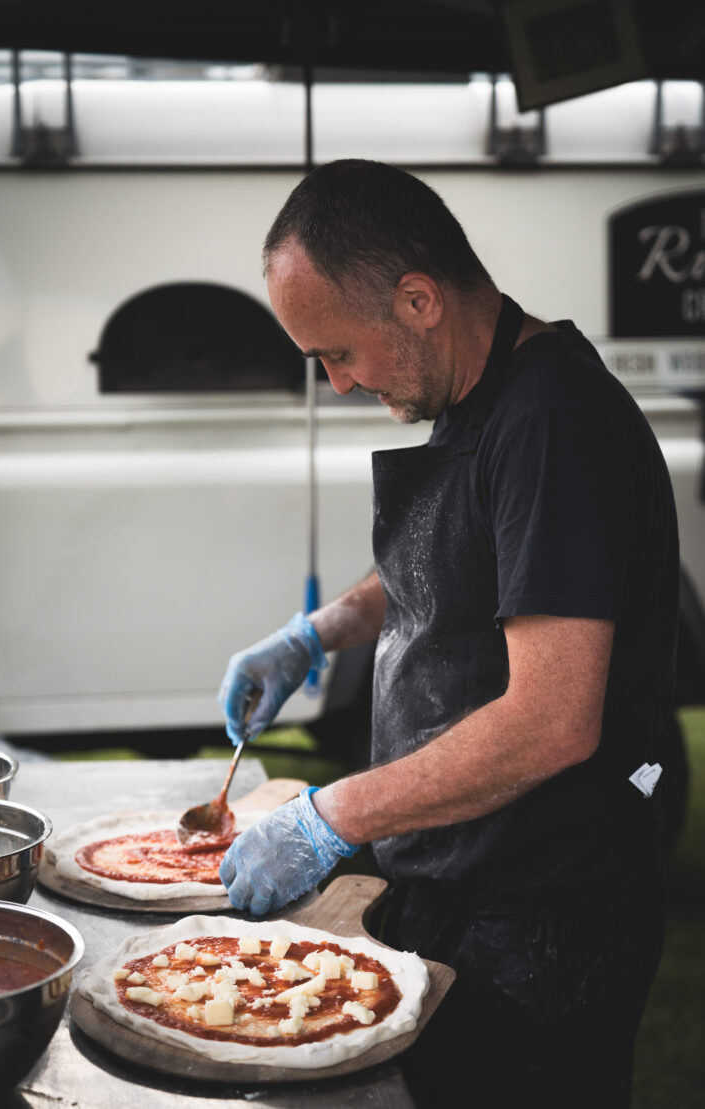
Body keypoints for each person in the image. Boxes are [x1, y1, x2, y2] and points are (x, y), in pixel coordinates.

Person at [217, 160, 679, 1107]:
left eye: (337, 354)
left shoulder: (554, 423)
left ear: (418, 299)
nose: (339, 383)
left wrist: (329, 815)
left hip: (543, 919)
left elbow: (553, 719)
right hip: (462, 879)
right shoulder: (476, 388)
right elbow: (450, 562)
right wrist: (318, 631)